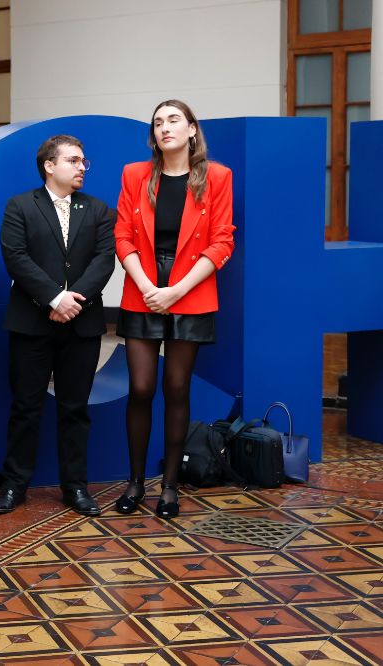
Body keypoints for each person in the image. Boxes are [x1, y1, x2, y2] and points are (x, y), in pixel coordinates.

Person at [114, 100, 234, 519]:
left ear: (192, 130)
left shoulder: (217, 177)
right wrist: (149, 287)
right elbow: (123, 236)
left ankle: (169, 486)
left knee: (177, 388)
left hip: (191, 291)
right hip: (142, 289)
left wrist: (176, 290)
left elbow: (222, 242)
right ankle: (134, 483)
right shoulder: (135, 175)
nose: (165, 128)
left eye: (173, 120)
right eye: (158, 122)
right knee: (142, 388)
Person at [0, 135, 116, 517]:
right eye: (74, 160)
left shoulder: (97, 209)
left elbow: (104, 259)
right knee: (25, 407)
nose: (82, 167)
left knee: (75, 408)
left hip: (81, 324)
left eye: (84, 161)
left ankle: (75, 487)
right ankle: (14, 486)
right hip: (32, 323)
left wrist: (72, 300)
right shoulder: (20, 206)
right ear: (49, 164)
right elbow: (16, 257)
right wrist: (53, 298)